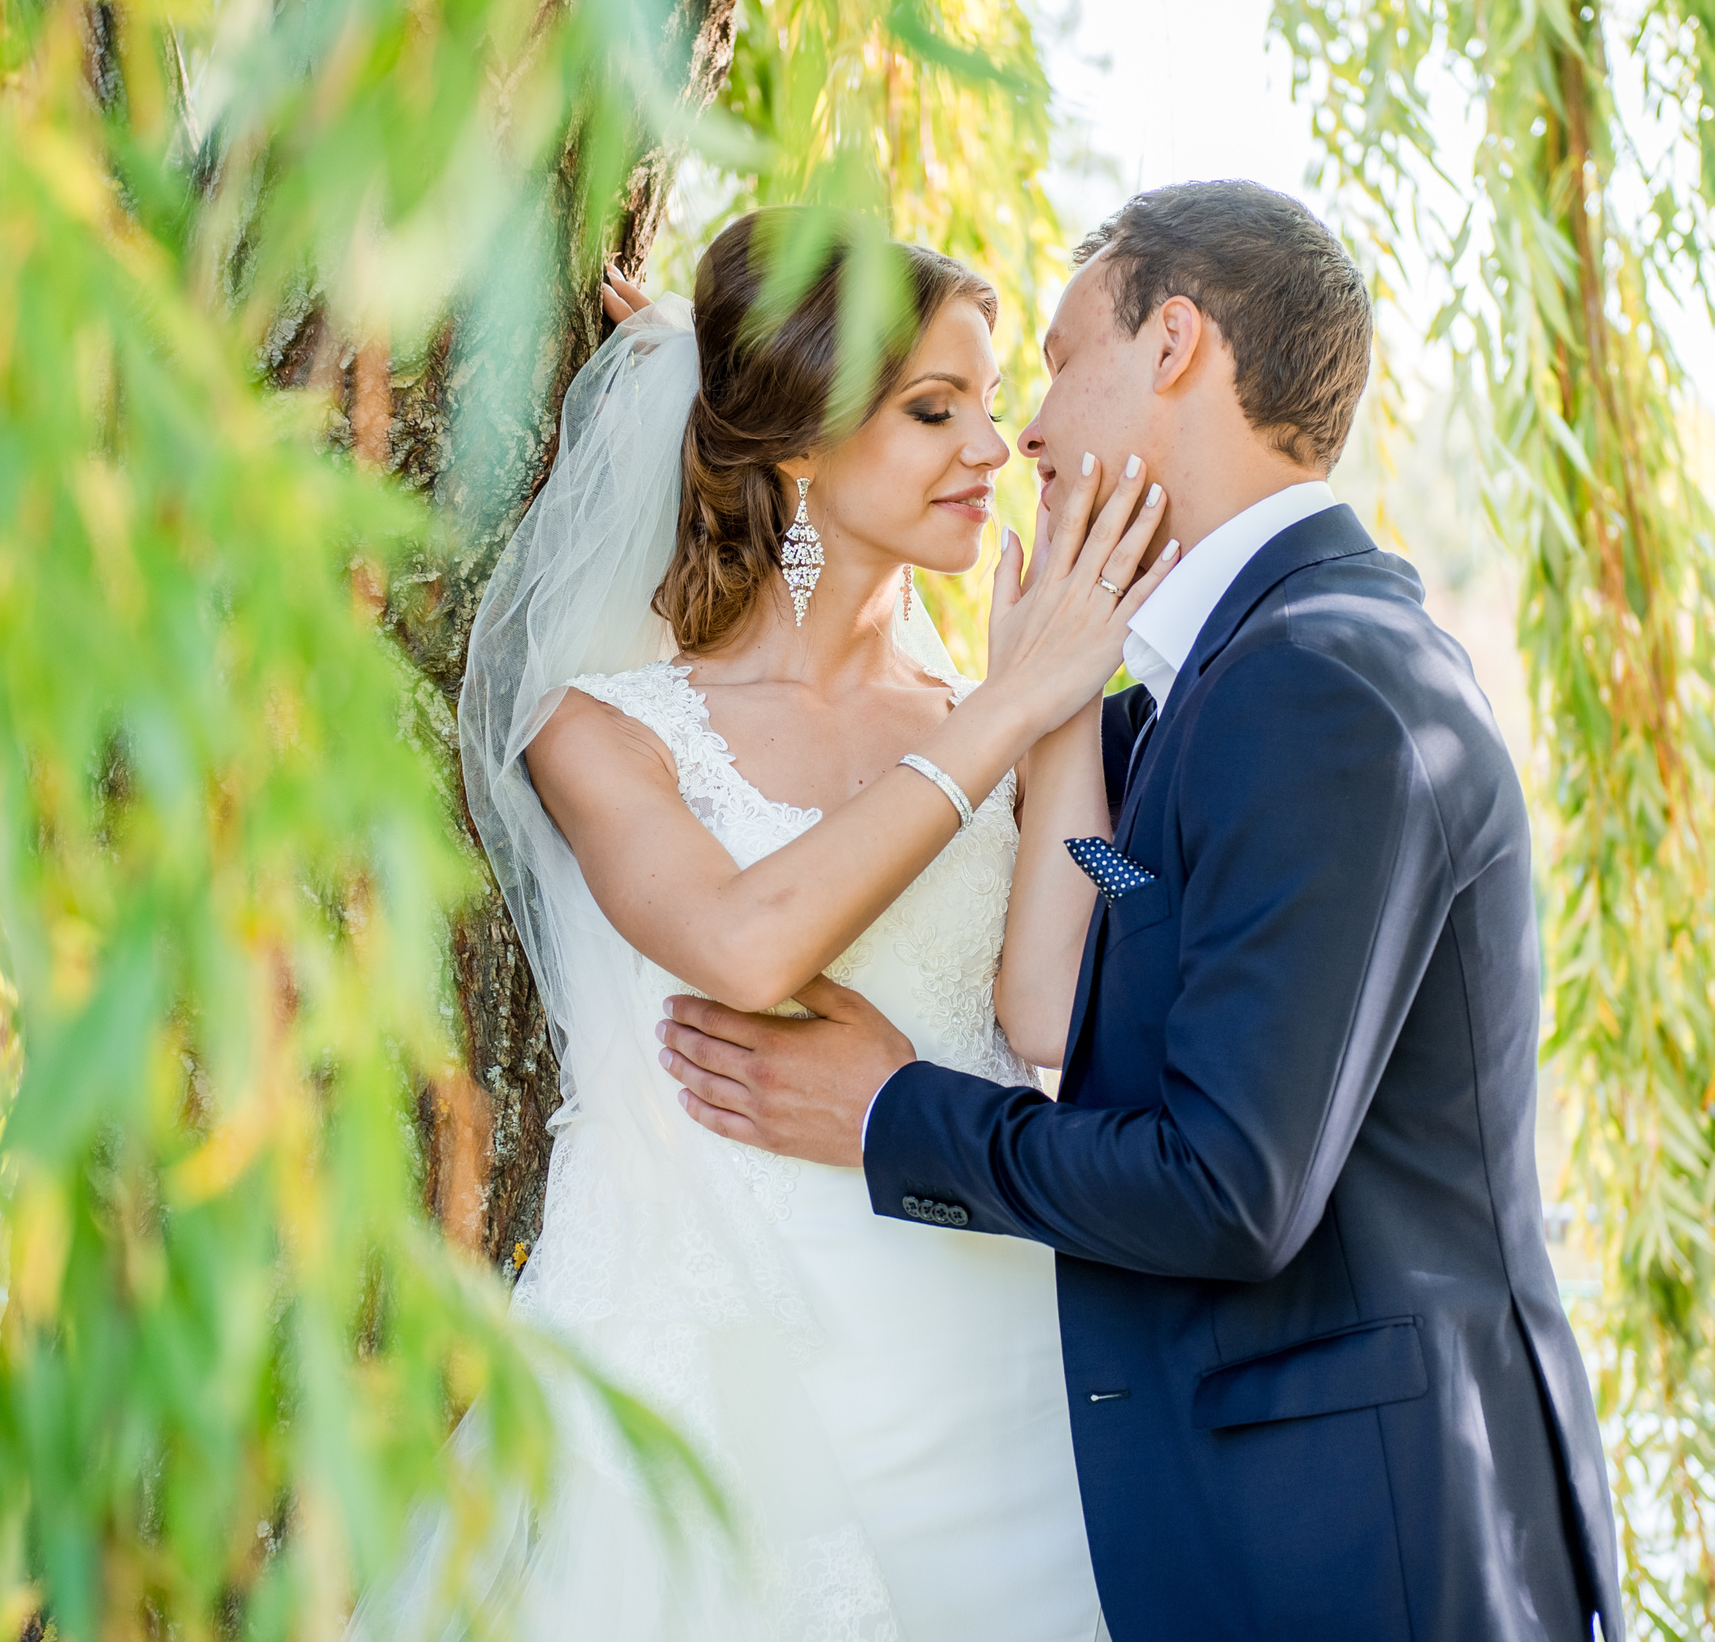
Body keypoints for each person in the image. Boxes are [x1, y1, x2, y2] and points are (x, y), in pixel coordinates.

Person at [658, 181, 1626, 1641]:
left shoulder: (1321, 685)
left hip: (1369, 1554)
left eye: (1054, 363)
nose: (1027, 433)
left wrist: (889, 1113)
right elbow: (1128, 902)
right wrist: (1052, 717)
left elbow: (1230, 1184)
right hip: (1251, 1530)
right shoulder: (1224, 680)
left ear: (1175, 343)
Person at [414, 207, 1175, 1642]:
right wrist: (1008, 712)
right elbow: (750, 940)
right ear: (803, 447)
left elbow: (1047, 1001)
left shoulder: (986, 714)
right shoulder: (605, 729)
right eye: (934, 409)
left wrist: (1060, 714)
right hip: (723, 1365)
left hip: (983, 1356)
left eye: (994, 411)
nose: (992, 452)